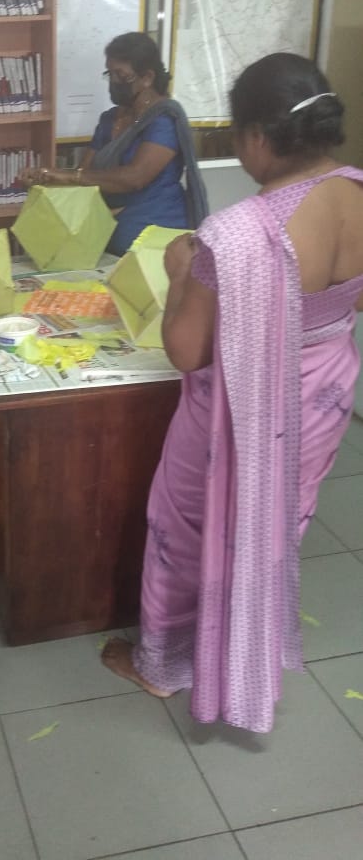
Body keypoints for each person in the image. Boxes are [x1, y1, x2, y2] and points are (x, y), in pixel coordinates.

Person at [102, 52, 363, 733]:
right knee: (275, 523)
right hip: (324, 392)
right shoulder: (359, 193)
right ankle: (242, 640)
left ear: (254, 136)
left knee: (187, 529)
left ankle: (164, 664)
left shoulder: (236, 235)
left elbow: (187, 351)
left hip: (238, 411)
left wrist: (181, 271)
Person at [20, 32, 208, 255]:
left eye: (121, 75)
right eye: (110, 74)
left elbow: (135, 177)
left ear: (147, 77)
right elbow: (85, 175)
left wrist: (68, 175)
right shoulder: (110, 120)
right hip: (107, 242)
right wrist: (45, 179)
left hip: (157, 246)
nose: (114, 83)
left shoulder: (163, 120)